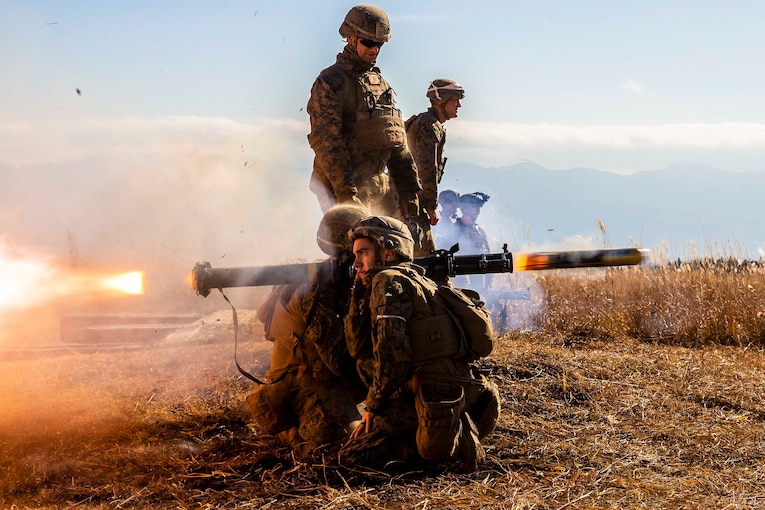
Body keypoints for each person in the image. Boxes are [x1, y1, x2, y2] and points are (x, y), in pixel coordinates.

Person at [339, 215, 500, 472]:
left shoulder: (388, 281)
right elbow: (359, 348)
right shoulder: (418, 279)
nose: (356, 262)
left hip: (434, 391)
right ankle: (452, 428)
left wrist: (371, 408)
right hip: (451, 387)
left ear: (389, 252)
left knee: (352, 457)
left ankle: (455, 443)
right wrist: (359, 289)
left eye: (364, 253)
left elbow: (393, 358)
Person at [246, 205, 369, 458]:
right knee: (348, 447)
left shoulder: (322, 274)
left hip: (314, 378)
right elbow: (338, 362)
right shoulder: (318, 289)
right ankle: (296, 432)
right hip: (305, 385)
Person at [307, 4, 422, 226]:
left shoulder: (380, 84)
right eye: (368, 42)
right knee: (358, 253)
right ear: (351, 39)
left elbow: (396, 141)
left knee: (397, 251)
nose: (375, 49)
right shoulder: (331, 82)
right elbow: (327, 143)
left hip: (380, 185)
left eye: (379, 44)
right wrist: (346, 196)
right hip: (344, 185)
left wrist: (409, 191)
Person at [405, 79, 465, 256]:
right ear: (442, 100)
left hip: (409, 202)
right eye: (456, 100)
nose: (459, 105)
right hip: (411, 205)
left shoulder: (427, 123)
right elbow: (426, 168)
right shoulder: (429, 126)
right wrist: (431, 206)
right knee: (428, 261)